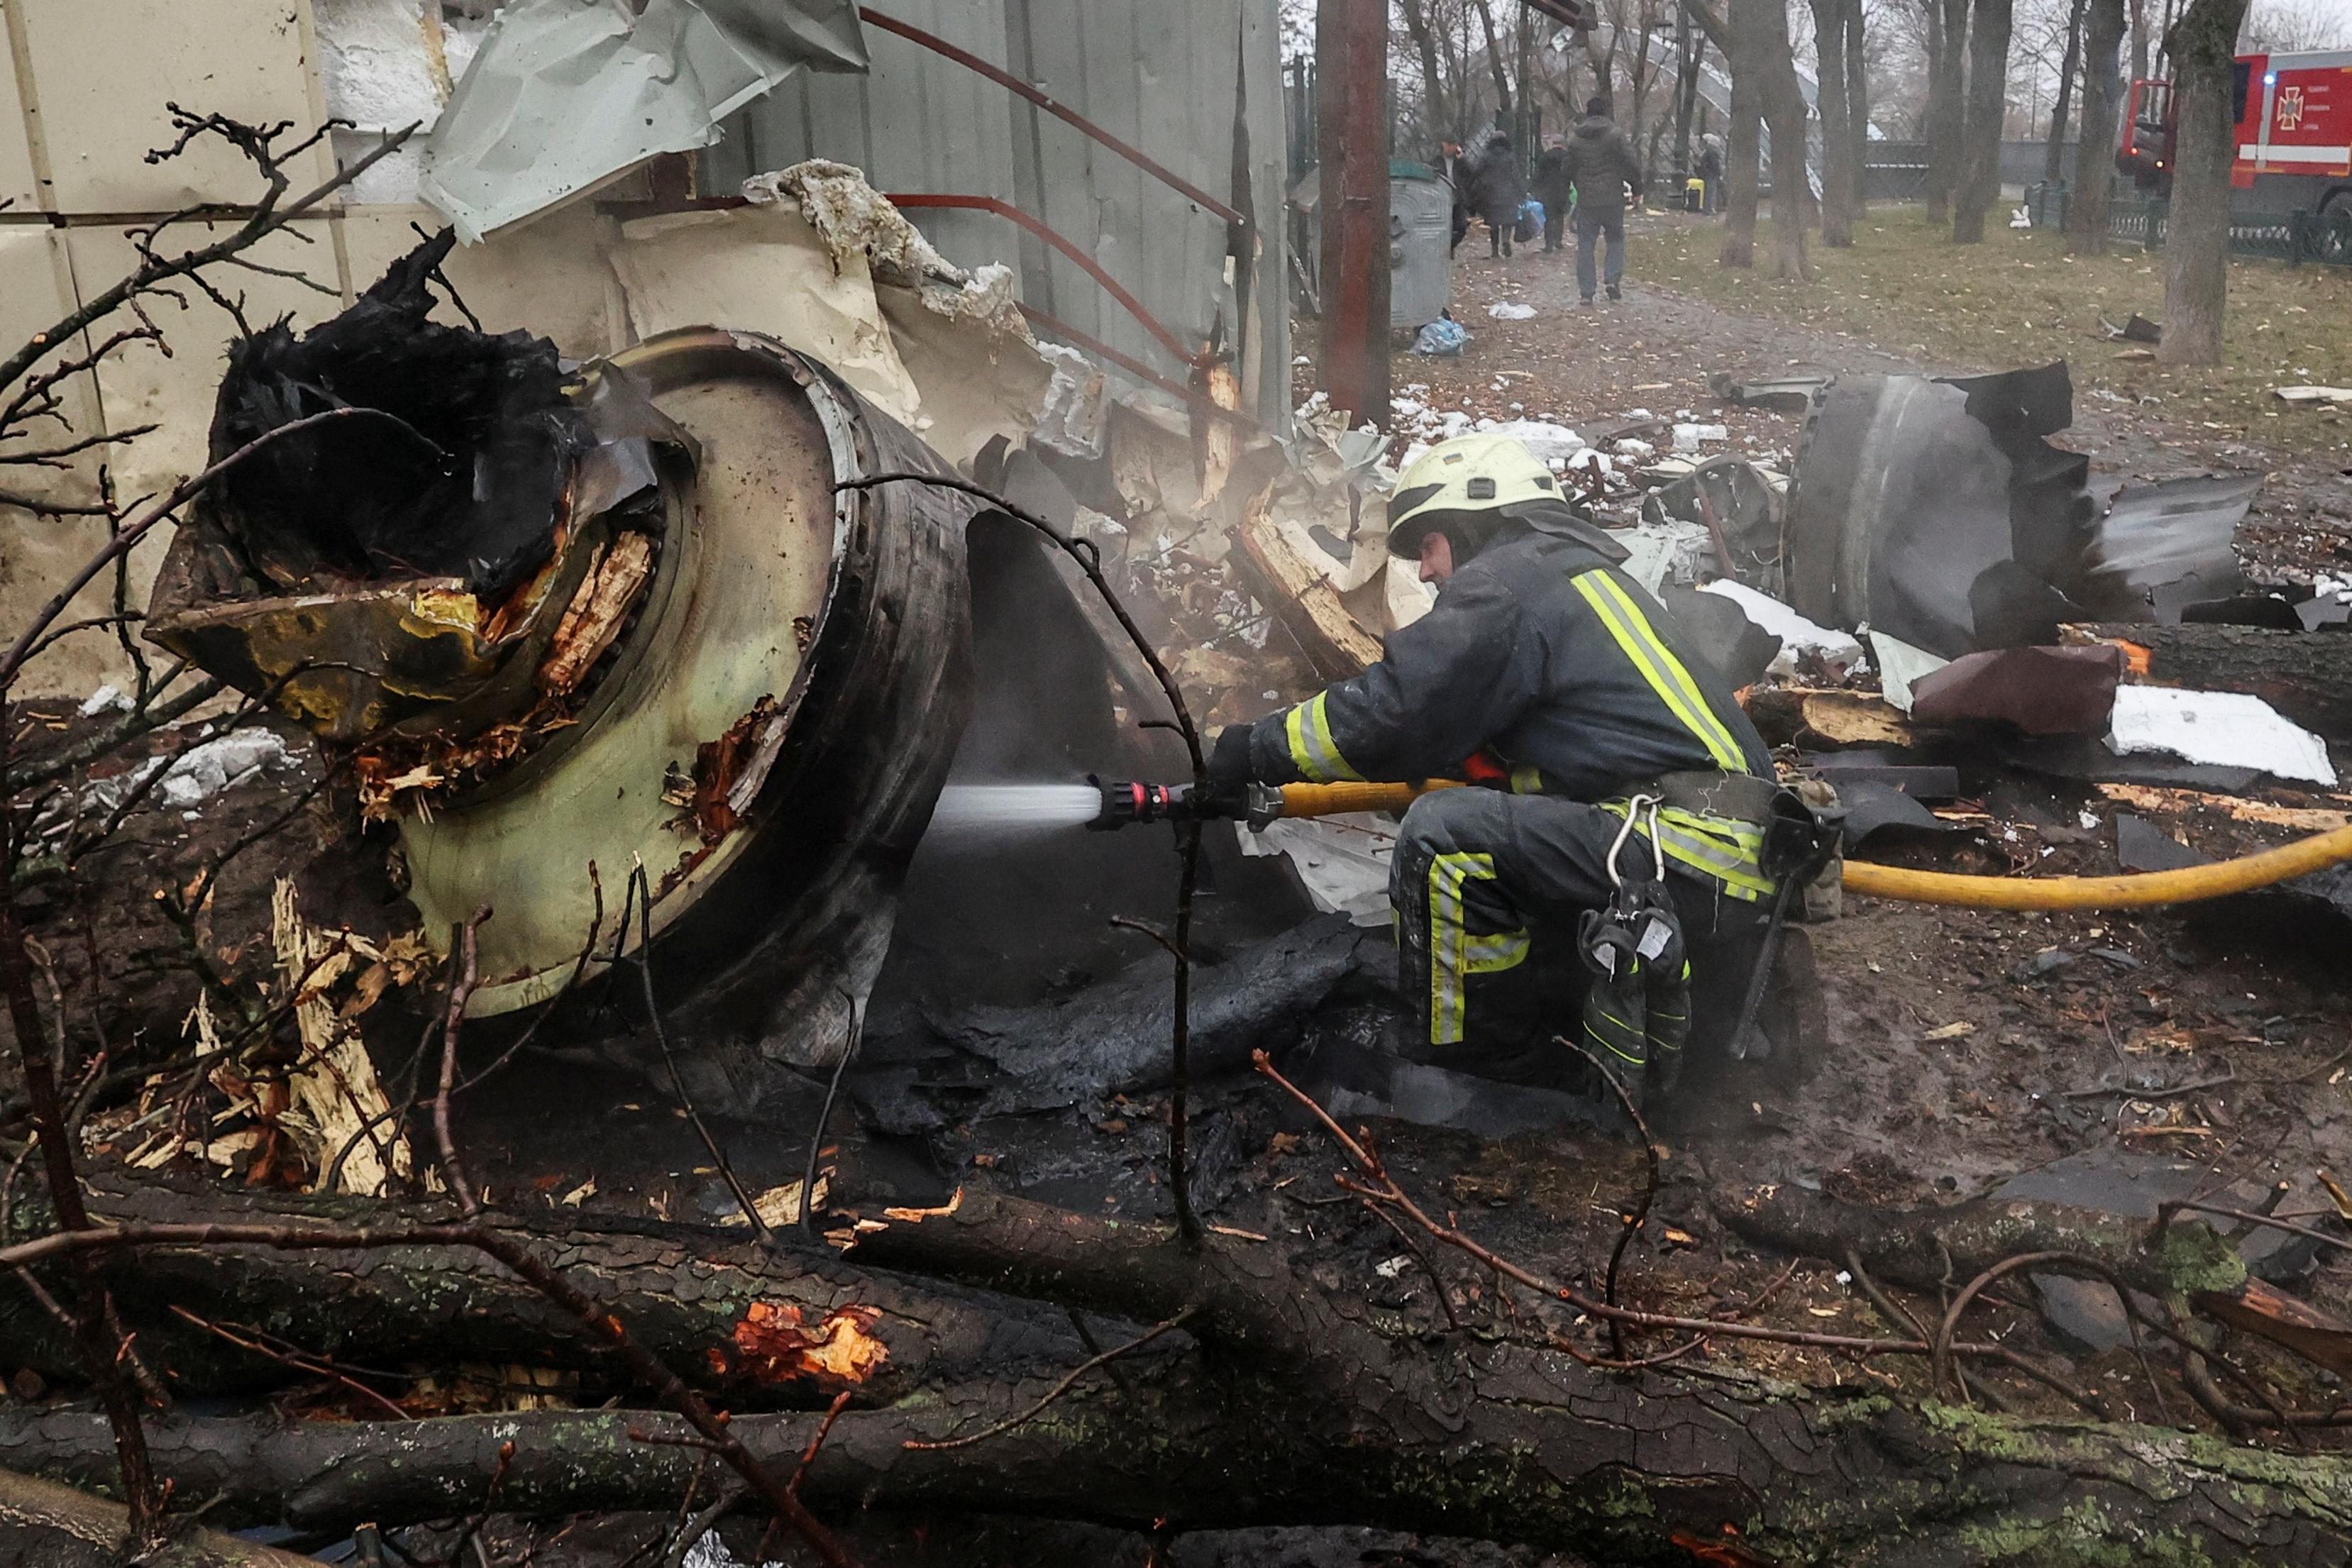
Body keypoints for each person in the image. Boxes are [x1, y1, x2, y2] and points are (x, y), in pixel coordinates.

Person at [1206, 434, 1784, 1108]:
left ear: (1472, 524)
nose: (1423, 573)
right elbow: (1578, 753)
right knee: (1481, 821)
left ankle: (1482, 1063)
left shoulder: (1507, 579)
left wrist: (1253, 749)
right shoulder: (1575, 577)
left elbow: (1397, 708)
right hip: (1722, 849)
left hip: (1687, 847)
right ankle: (1547, 1016)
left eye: (1427, 546)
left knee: (1443, 842)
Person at [1555, 96, 1643, 303]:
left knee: (1586, 244)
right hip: (1613, 198)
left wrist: (1576, 184)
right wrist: (1637, 188)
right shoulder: (1616, 135)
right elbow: (1630, 163)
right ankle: (1612, 279)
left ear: (1587, 113)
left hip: (1586, 200)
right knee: (1615, 238)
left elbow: (1566, 169)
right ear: (1605, 112)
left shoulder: (1576, 139)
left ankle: (1587, 292)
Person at [1467, 131, 1525, 258]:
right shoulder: (1510, 156)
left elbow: (1477, 172)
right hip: (1508, 193)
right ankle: (1505, 240)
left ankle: (1494, 251)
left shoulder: (1486, 156)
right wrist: (1522, 191)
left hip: (1491, 193)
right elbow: (1516, 176)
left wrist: (1470, 186)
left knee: (1493, 223)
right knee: (1507, 220)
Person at [1532, 133, 1573, 254]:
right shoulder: (1567, 157)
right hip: (1562, 190)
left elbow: (1538, 175)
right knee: (1560, 216)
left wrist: (1535, 187)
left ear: (1553, 143)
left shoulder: (1545, 157)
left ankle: (1549, 244)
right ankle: (1558, 241)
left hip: (1547, 191)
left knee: (1549, 218)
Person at [1438, 140, 1472, 255]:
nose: (1453, 148)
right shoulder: (1436, 162)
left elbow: (1471, 173)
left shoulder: (1459, 162)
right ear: (1444, 145)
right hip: (1442, 199)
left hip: (1457, 199)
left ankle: (1450, 246)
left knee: (1461, 227)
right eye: (1451, 145)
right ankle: (1445, 249)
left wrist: (1463, 158)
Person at [1696, 134, 1725, 215]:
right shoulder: (1714, 151)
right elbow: (1716, 163)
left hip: (1709, 173)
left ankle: (1708, 209)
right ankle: (1711, 208)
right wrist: (1719, 173)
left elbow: (1702, 160)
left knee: (1709, 191)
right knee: (1712, 191)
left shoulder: (1708, 150)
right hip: (1713, 173)